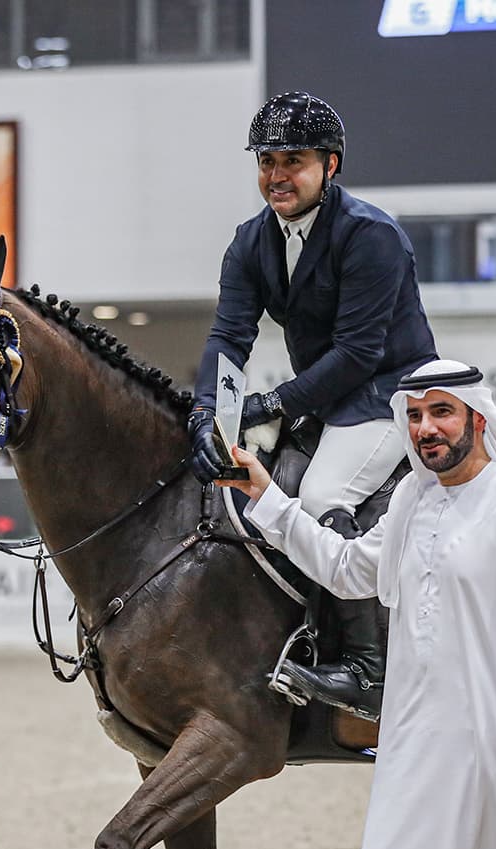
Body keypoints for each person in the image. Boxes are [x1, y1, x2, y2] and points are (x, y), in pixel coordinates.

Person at [220, 359, 496, 849]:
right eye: (414, 416)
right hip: (414, 745)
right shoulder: (413, 497)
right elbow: (345, 568)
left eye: (441, 413)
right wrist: (266, 499)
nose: (426, 428)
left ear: (478, 420)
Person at [188, 91, 438, 717]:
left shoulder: (371, 236)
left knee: (324, 495)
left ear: (331, 165)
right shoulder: (251, 242)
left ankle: (367, 668)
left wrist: (270, 402)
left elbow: (357, 354)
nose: (276, 174)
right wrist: (205, 413)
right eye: (267, 160)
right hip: (325, 400)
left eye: (292, 160)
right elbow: (229, 337)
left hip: (390, 394)